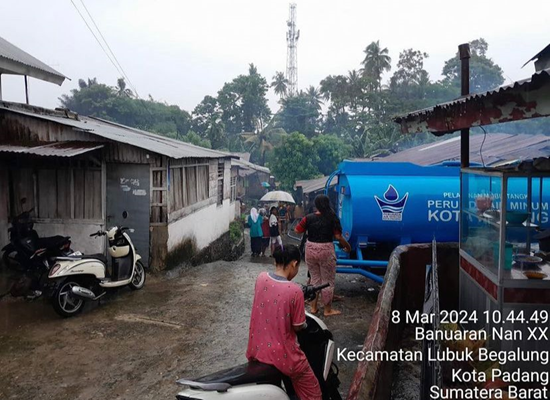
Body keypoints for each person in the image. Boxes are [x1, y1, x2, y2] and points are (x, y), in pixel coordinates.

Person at [246, 245, 322, 400]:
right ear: (294, 263)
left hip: (257, 350)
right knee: (313, 391)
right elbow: (298, 325)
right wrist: (305, 324)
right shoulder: (294, 291)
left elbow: (269, 304)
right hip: (283, 355)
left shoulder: (261, 278)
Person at [295, 194, 351, 316]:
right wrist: (347, 246)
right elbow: (338, 236)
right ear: (328, 203)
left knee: (315, 280)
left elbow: (297, 230)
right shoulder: (332, 218)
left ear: (316, 205)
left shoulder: (308, 218)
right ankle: (327, 310)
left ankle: (314, 308)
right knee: (327, 281)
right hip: (326, 250)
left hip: (310, 250)